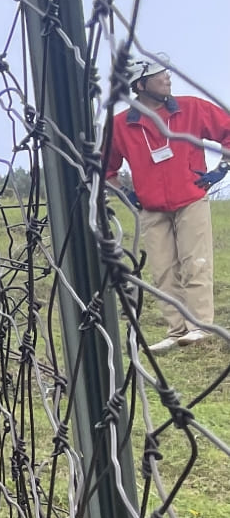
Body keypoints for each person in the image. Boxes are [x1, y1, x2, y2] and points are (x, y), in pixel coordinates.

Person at [104, 54, 230, 353]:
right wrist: (127, 194)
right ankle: (176, 331)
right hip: (151, 208)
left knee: (195, 262)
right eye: (161, 75)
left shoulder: (192, 109)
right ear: (140, 84)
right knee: (162, 269)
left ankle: (200, 326)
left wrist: (220, 170)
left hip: (191, 199)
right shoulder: (121, 125)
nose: (168, 78)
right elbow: (105, 166)